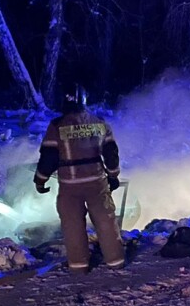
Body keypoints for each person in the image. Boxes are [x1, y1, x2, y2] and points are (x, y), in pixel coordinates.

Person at [33, 86, 125, 273]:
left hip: (69, 186)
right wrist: (113, 176)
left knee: (72, 225)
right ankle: (116, 262)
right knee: (105, 221)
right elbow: (111, 153)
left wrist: (40, 180)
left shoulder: (57, 126)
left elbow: (48, 157)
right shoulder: (99, 123)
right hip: (97, 182)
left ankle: (79, 267)